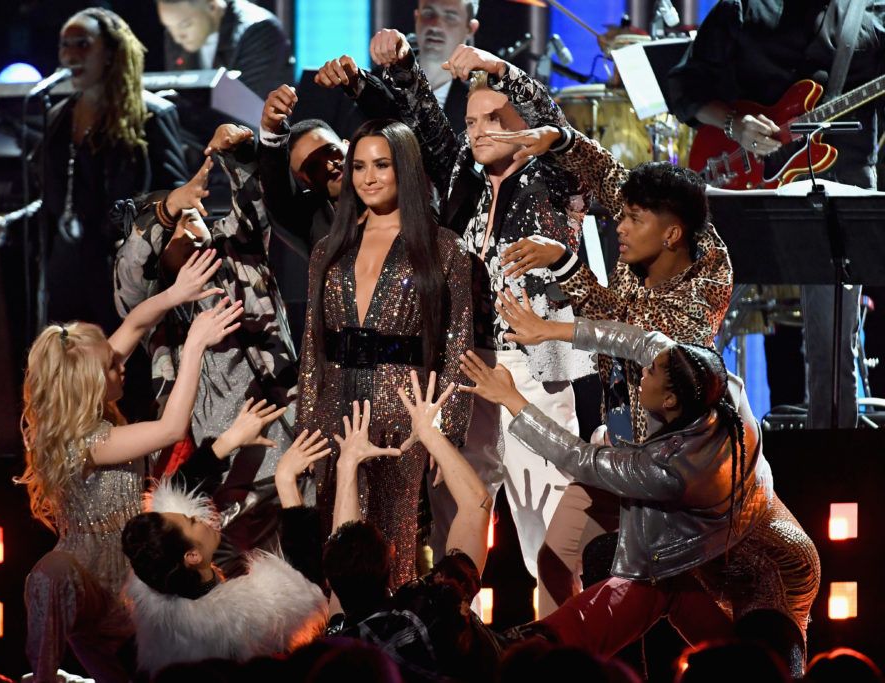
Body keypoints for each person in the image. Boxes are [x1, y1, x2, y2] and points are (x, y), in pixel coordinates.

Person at [319, 36, 595, 577]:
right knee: (455, 502)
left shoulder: (553, 176)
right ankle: (451, 626)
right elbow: (417, 124)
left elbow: (549, 114)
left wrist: (497, 66)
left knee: (547, 517)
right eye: (471, 122)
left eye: (495, 118)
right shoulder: (461, 178)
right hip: (466, 363)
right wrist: (382, 75)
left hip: (532, 369)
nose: (479, 131)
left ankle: (559, 645)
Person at [460, 317, 820, 677]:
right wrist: (552, 330)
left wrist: (510, 398)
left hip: (771, 575)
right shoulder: (706, 387)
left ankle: (539, 647)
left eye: (651, 372)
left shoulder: (671, 470)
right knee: (652, 585)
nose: (642, 371)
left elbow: (581, 459)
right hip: (720, 553)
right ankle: (542, 645)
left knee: (765, 672)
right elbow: (642, 340)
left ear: (669, 398)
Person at [482, 130, 733, 616]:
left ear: (672, 234)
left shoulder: (706, 284)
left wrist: (564, 274)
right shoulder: (651, 232)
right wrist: (557, 138)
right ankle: (563, 661)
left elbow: (632, 335)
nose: (618, 225)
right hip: (616, 452)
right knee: (554, 562)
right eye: (622, 213)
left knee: (675, 605)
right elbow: (604, 171)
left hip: (672, 474)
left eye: (632, 218)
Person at [17, 248, 247, 682]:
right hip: (101, 586)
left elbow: (136, 324)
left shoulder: (78, 399)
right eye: (111, 367)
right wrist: (194, 346)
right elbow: (170, 427)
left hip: (133, 566)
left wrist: (175, 294)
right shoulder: (81, 441)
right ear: (86, 384)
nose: (122, 367)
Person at [665, 0, 885, 428]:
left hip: (838, 189)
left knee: (833, 346)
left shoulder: (873, 11)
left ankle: (832, 454)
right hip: (743, 184)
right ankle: (691, 442)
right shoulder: (743, 8)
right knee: (696, 322)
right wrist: (735, 125)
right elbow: (683, 88)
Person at [112, 124, 299, 574]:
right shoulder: (154, 305)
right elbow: (131, 270)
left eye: (194, 213)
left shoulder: (241, 253)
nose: (191, 223)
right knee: (236, 590)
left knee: (304, 580)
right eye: (175, 224)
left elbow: (255, 203)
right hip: (222, 475)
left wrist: (240, 151)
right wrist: (168, 206)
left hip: (292, 447)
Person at [296, 118, 474, 587]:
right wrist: (305, 426)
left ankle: (393, 645)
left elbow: (456, 345)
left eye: (381, 165)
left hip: (402, 410)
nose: (368, 177)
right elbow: (312, 347)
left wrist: (446, 434)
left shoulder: (443, 248)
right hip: (334, 405)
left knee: (392, 541)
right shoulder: (328, 250)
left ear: (407, 170)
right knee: (335, 535)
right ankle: (339, 639)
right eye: (358, 166)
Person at [0, 7, 188, 335]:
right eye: (65, 45)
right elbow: (57, 207)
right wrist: (3, 227)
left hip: (124, 281)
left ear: (109, 52)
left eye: (82, 44)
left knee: (123, 380)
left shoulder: (151, 117)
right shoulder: (60, 118)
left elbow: (177, 198)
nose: (71, 54)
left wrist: (139, 238)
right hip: (67, 282)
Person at [319, 375, 501, 681]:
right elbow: (477, 505)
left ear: (331, 582)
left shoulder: (338, 644)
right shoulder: (431, 610)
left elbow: (341, 586)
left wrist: (346, 464)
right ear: (391, 562)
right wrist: (429, 433)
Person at [120, 465, 330, 677]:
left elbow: (174, 495)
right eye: (192, 521)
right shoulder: (240, 624)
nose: (199, 517)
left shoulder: (155, 573)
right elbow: (304, 580)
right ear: (193, 556)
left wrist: (232, 439)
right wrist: (286, 482)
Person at [309, 0, 481, 135]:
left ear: (470, 28)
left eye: (450, 16)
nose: (435, 25)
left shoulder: (483, 92)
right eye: (428, 13)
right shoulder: (377, 82)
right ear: (416, 17)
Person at [257, 85, 347, 251]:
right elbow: (277, 193)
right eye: (313, 167)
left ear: (347, 145)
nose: (329, 166)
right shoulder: (311, 221)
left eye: (331, 152)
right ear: (306, 182)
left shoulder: (398, 190)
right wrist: (271, 131)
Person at [156, 0, 293, 99]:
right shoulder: (174, 35)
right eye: (169, 27)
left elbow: (246, 106)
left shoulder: (259, 31)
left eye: (185, 25)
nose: (177, 37)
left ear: (212, 6)